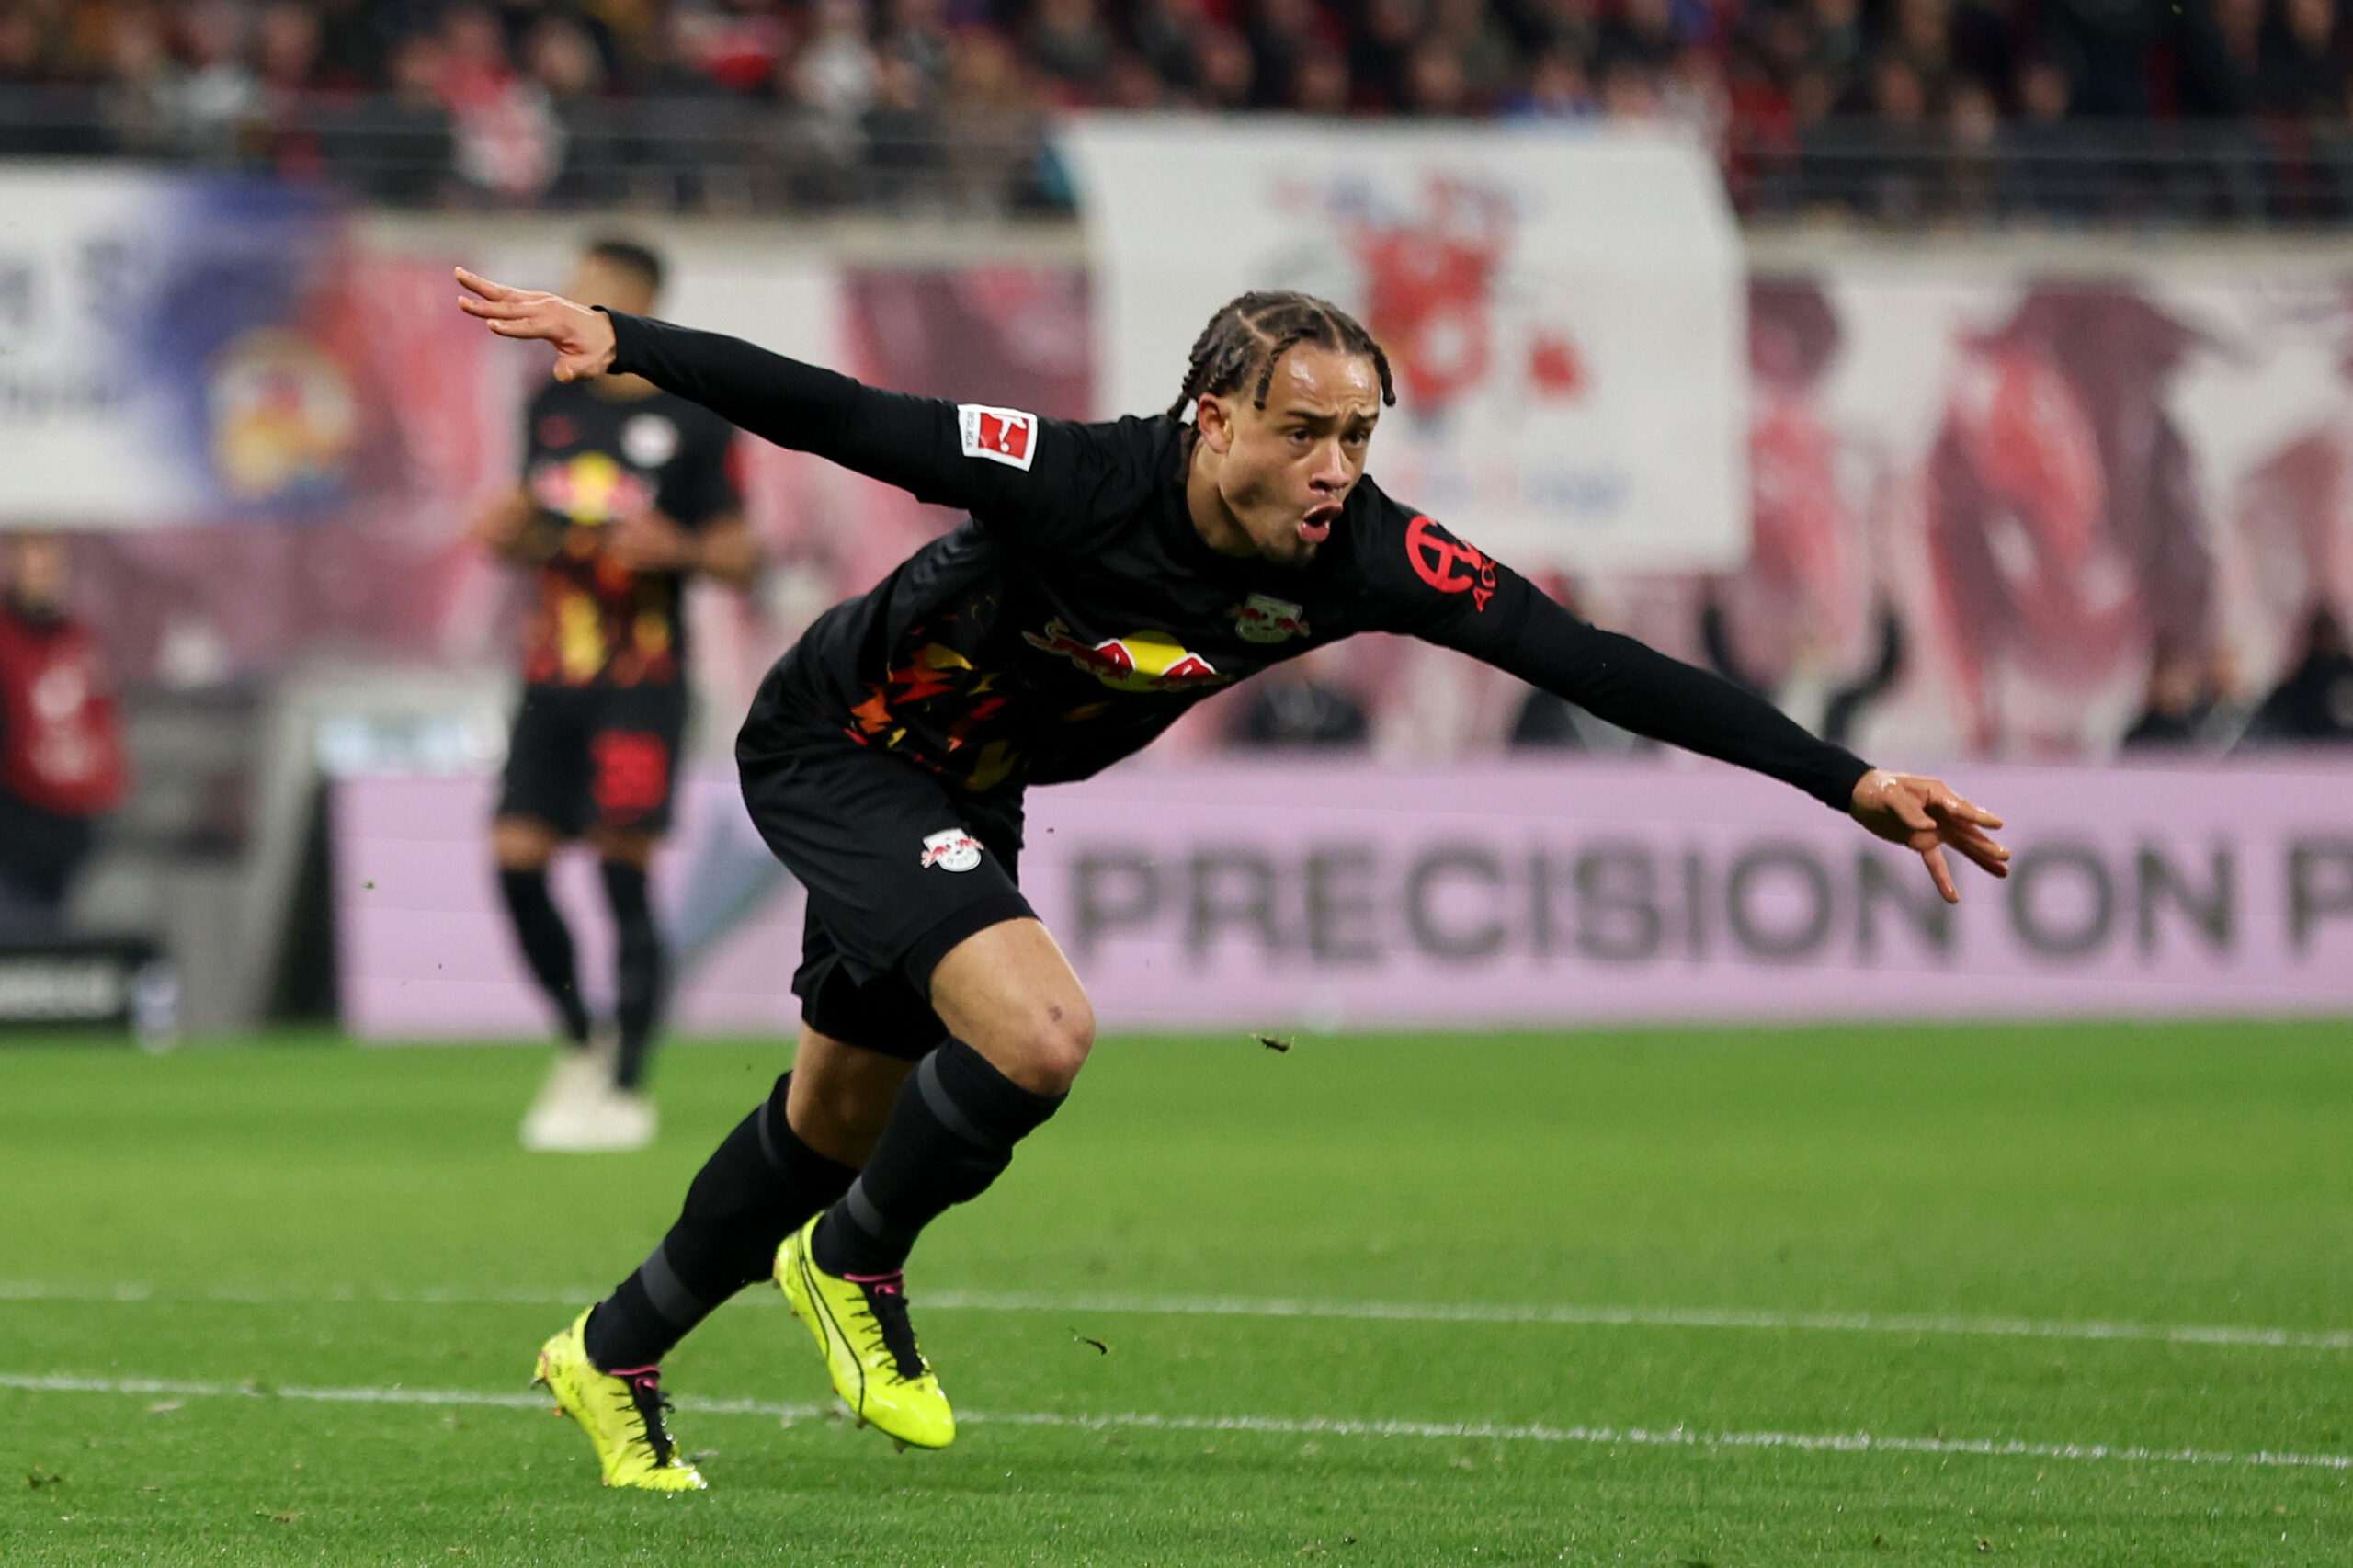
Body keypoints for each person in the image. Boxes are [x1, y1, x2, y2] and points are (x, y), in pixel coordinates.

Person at [455, 268, 2012, 1491]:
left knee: (832, 1118)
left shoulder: (1372, 559)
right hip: (840, 746)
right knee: (1039, 1034)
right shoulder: (1078, 478)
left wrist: (1850, 779)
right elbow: (849, 413)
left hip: (971, 791)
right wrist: (628, 338)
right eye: (1302, 431)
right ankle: (856, 1257)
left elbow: (1592, 660)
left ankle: (613, 1350)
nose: (1336, 467)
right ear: (1211, 418)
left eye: (1358, 436)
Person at [471, 241, 758, 1154]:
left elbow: (742, 553)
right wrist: (507, 532)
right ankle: (578, 1031)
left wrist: (679, 549)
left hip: (643, 682)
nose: (571, 287)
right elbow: (529, 531)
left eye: (588, 278)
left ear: (632, 297)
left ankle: (628, 1080)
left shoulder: (697, 419)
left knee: (618, 869)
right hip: (552, 673)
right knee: (515, 858)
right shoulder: (551, 405)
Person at [0, 533, 126, 939]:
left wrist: (107, 785)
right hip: (16, 812)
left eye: (48, 558)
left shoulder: (76, 637)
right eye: (28, 555)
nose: (39, 570)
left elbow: (99, 718)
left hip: (73, 815)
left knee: (60, 935)